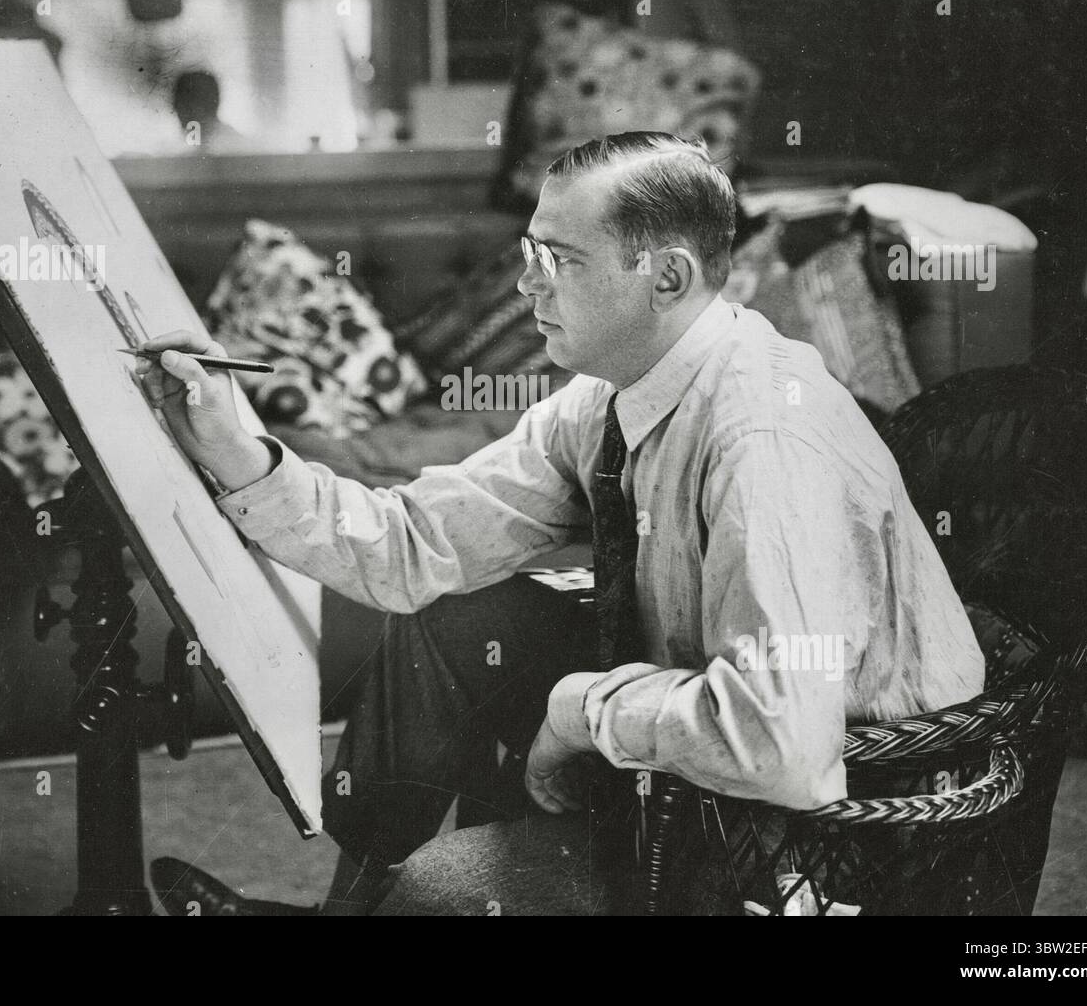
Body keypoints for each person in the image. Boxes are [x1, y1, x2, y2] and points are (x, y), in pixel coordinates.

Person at [137, 131, 984, 915]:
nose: (526, 284)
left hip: (839, 827)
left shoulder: (761, 432)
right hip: (711, 737)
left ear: (668, 278)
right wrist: (237, 451)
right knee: (452, 617)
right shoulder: (613, 392)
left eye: (559, 260)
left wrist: (581, 711)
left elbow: (781, 744)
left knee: (446, 889)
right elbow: (414, 544)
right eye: (529, 254)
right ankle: (346, 913)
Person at [170, 71, 251, 153]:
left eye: (180, 103)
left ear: (197, 106)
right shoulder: (241, 144)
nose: (175, 109)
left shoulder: (234, 148)